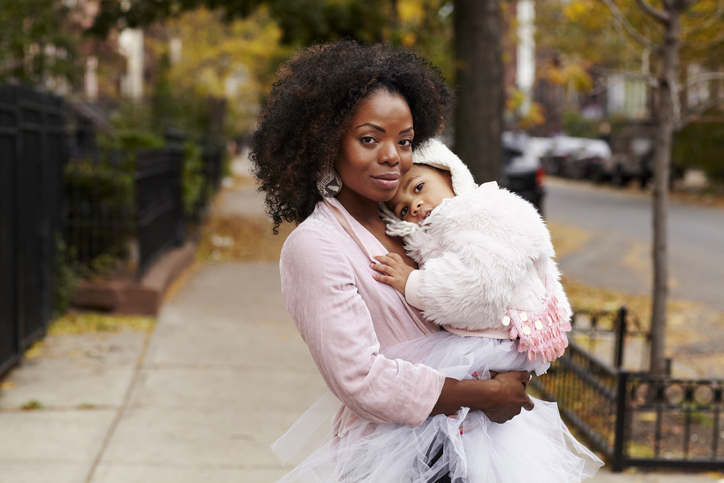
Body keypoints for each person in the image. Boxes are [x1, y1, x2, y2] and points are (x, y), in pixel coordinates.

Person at [252, 41, 549, 482]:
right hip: (401, 460)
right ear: (326, 144)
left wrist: (512, 367)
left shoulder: (414, 224)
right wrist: (487, 393)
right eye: (369, 139)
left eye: (405, 140)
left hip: (478, 446)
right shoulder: (316, 247)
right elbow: (362, 381)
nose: (393, 155)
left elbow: (486, 307)